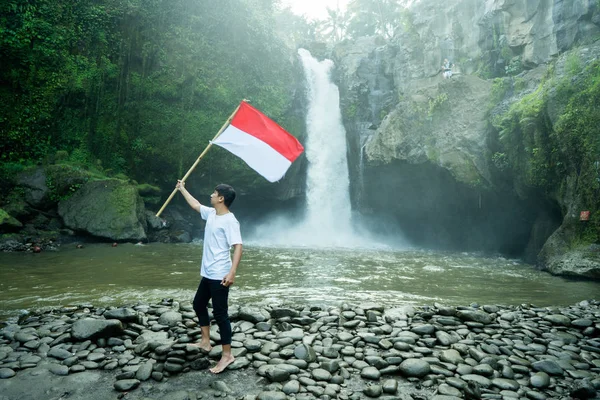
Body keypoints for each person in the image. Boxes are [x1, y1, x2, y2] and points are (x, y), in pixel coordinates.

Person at [175, 180, 243, 374]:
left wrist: (232, 272)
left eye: (214, 193)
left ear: (221, 198)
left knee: (221, 315)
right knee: (198, 304)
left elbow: (238, 246)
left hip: (220, 273)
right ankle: (205, 342)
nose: (211, 195)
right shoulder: (212, 214)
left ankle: (227, 355)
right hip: (208, 272)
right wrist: (182, 189)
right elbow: (196, 205)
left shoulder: (230, 220)